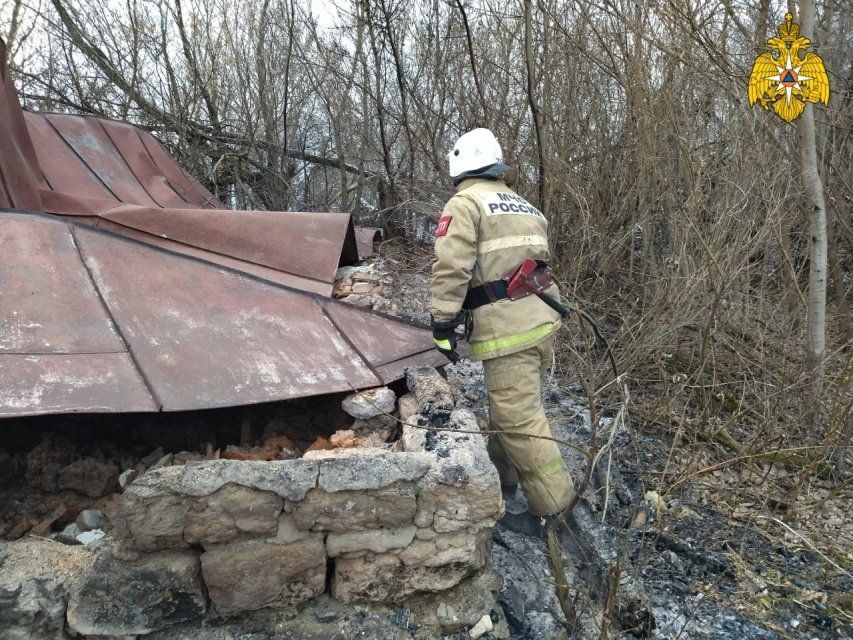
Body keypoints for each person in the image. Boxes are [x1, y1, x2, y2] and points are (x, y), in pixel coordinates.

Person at [430, 127, 573, 536]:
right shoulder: (524, 204)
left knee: (519, 417)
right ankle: (504, 480)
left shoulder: (465, 203)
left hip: (511, 328)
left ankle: (554, 511)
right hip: (542, 318)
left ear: (460, 168)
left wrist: (443, 321)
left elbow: (451, 267)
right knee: (511, 405)